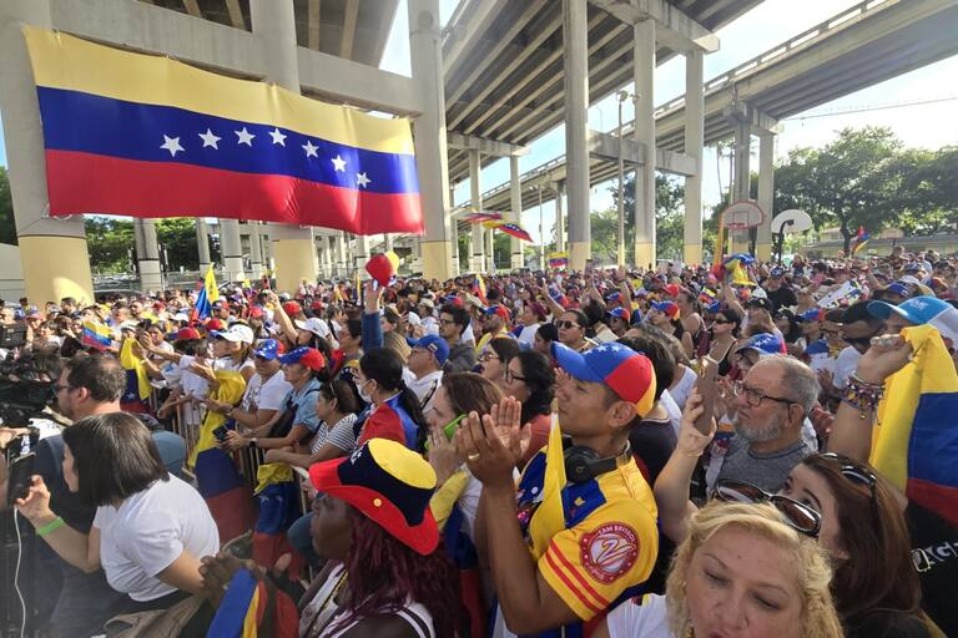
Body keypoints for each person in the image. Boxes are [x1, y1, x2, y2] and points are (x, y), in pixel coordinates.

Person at [456, 342, 660, 637]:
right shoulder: (550, 457)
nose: (561, 391)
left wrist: (499, 484)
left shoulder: (626, 518)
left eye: (580, 388)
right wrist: (492, 473)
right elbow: (489, 557)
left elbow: (527, 617)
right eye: (568, 380)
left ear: (619, 413)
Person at [201, 438, 466, 636]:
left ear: (363, 531)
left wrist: (246, 616)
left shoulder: (388, 628)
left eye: (328, 502)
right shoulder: (346, 566)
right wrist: (257, 597)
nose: (315, 504)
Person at [17, 413, 219, 624]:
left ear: (89, 465)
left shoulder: (140, 526)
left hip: (176, 620)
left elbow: (208, 587)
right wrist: (40, 515)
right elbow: (89, 558)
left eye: (66, 457)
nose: (62, 465)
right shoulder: (121, 495)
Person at [597, 502, 843, 638]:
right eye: (715, 578)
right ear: (686, 566)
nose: (729, 616)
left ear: (807, 617)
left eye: (766, 601)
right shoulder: (639, 621)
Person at [711, 354, 819, 492]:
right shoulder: (749, 432)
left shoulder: (798, 484)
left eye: (756, 394)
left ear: (792, 414)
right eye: (742, 388)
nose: (740, 401)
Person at [224, 346, 326, 452]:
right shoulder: (293, 391)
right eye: (285, 363)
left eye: (291, 365)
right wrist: (239, 438)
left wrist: (247, 442)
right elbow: (270, 425)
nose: (284, 367)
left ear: (306, 371)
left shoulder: (312, 398)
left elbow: (290, 440)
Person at [264, 379, 360, 468]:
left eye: (319, 400)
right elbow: (309, 450)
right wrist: (291, 450)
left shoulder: (347, 425)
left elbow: (314, 461)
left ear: (332, 404)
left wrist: (281, 456)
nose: (315, 405)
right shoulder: (327, 422)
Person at [353, 347, 429, 451]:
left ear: (372, 384)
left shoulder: (388, 422)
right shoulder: (391, 405)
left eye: (359, 377)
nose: (356, 381)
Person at [501, 350, 555, 465]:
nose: (504, 380)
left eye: (511, 376)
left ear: (532, 387)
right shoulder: (516, 412)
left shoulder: (537, 430)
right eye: (505, 372)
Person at [407, 334, 448, 414]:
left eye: (414, 352)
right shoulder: (422, 380)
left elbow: (404, 419)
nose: (408, 356)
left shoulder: (430, 387)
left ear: (430, 357)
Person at [439, 303, 478, 373]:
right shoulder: (436, 343)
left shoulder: (467, 352)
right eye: (440, 321)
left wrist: (435, 354)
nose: (441, 325)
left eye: (446, 322)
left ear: (459, 327)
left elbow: (454, 371)